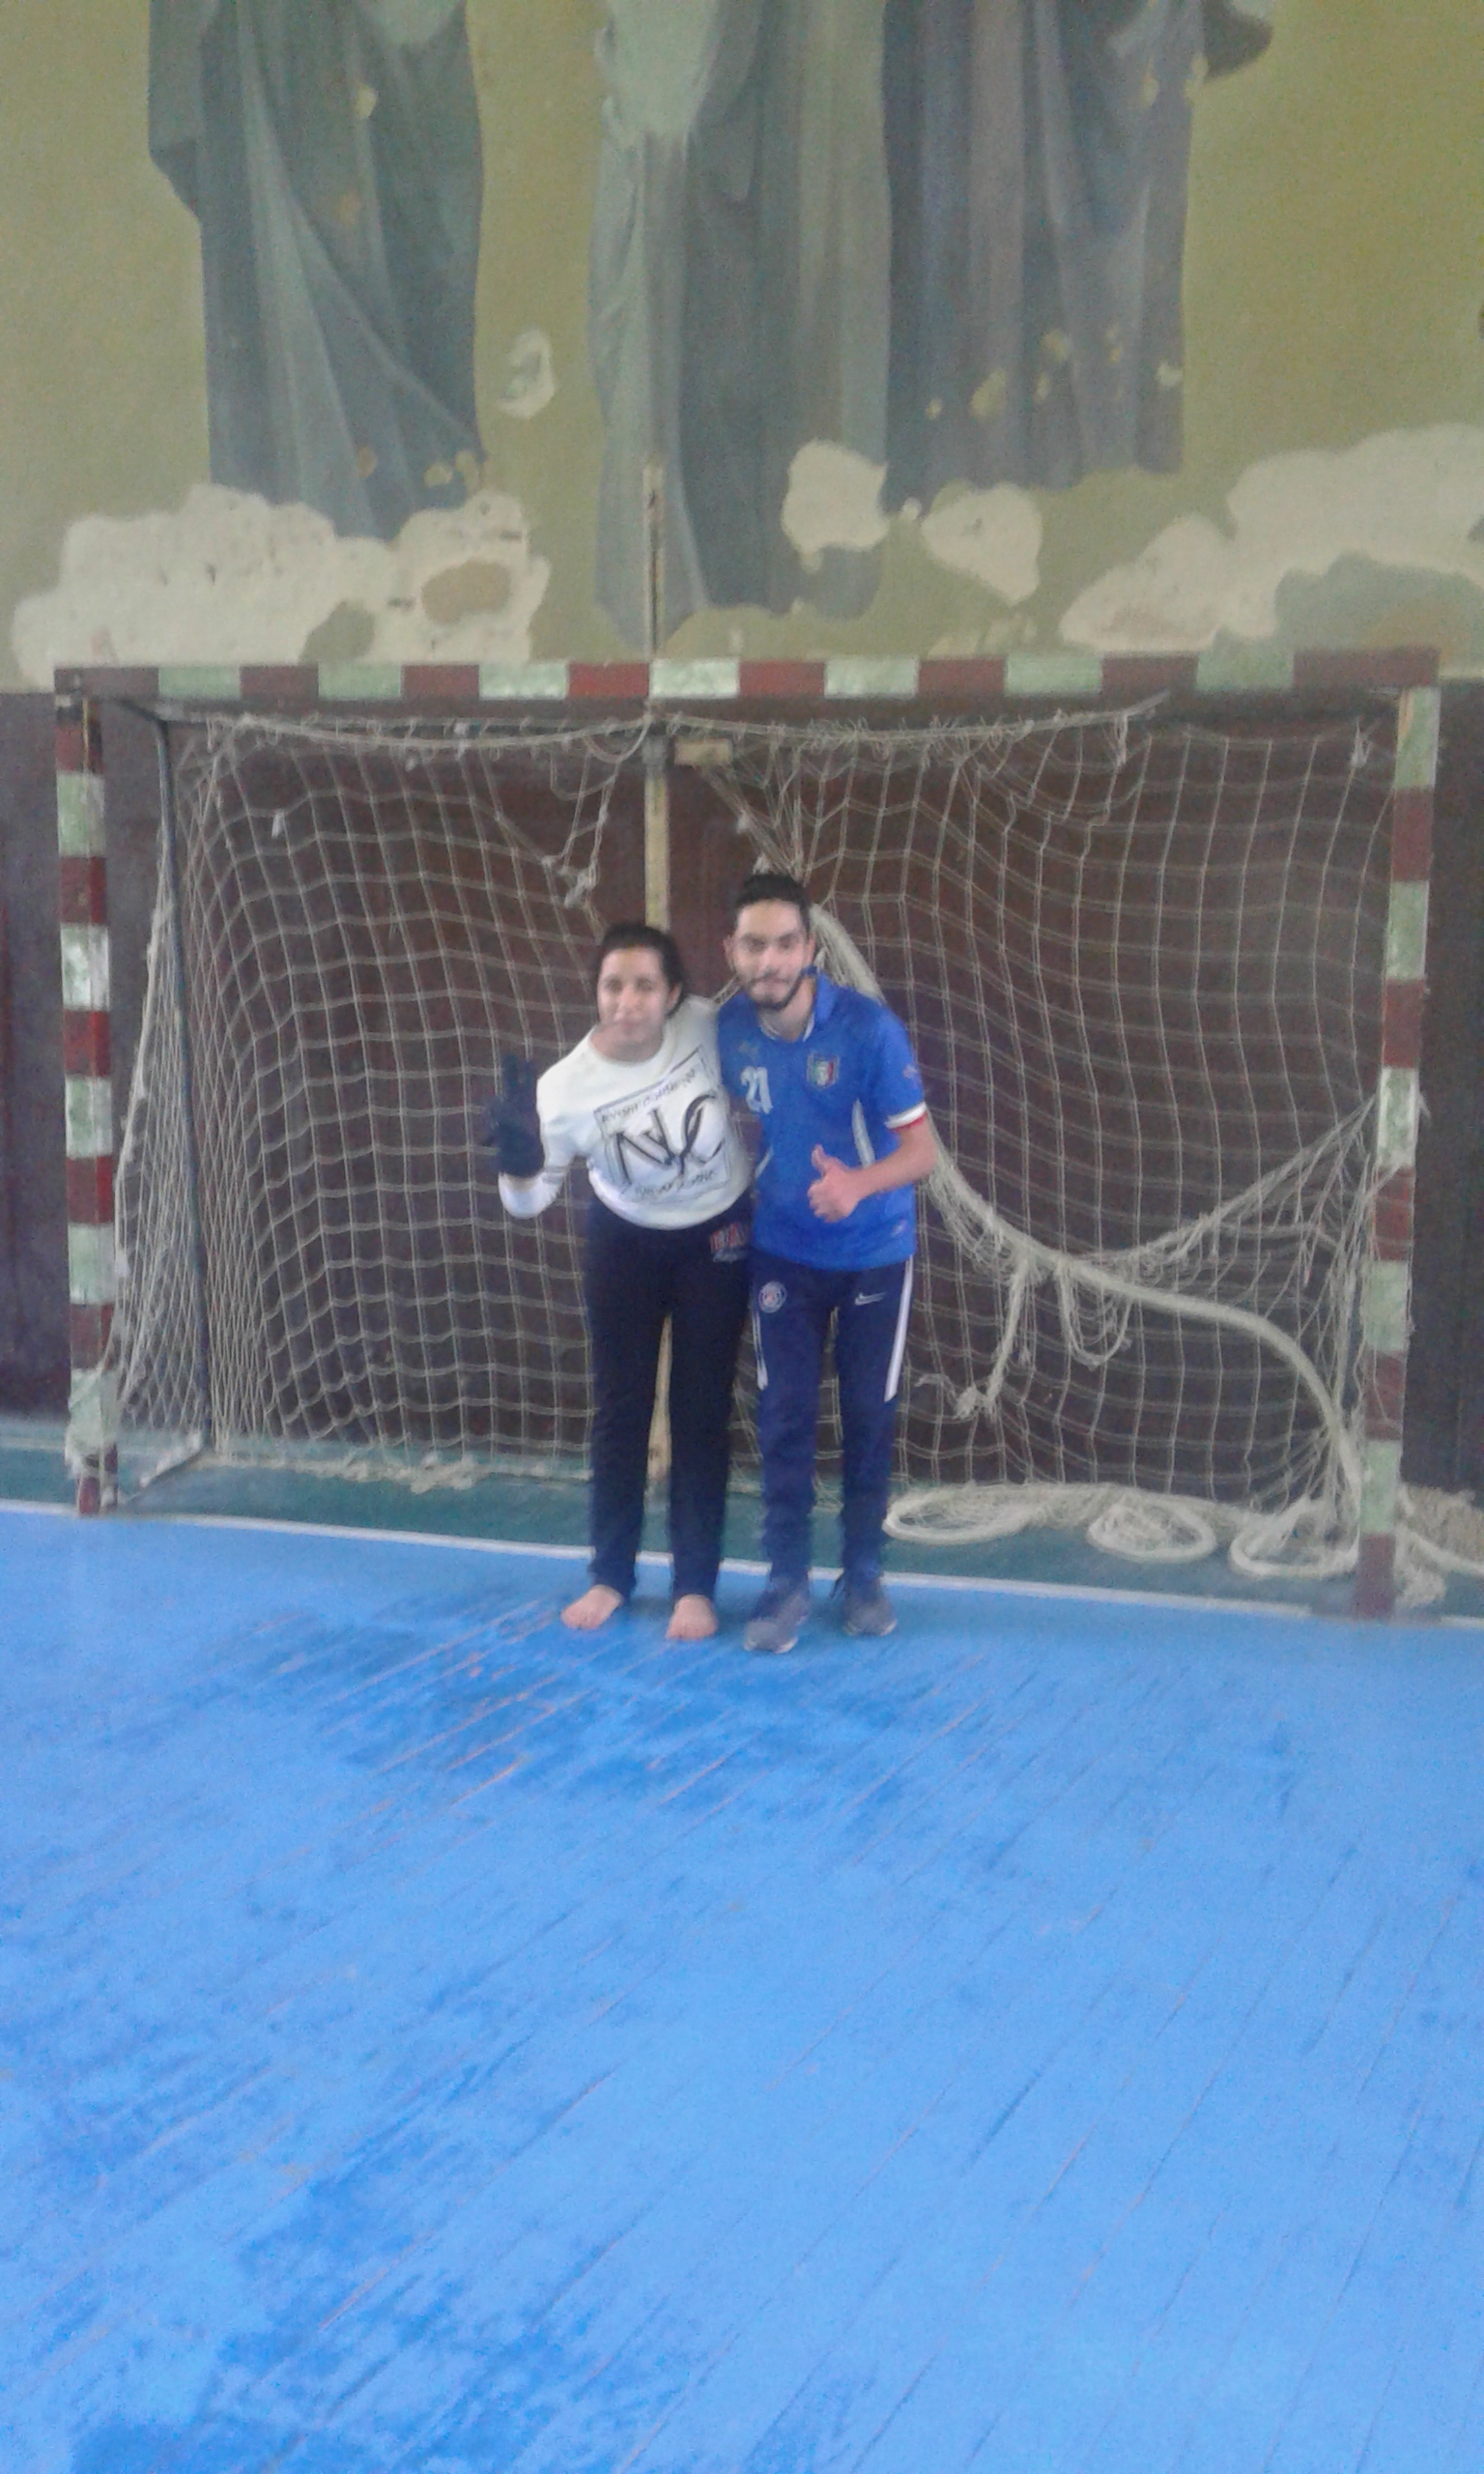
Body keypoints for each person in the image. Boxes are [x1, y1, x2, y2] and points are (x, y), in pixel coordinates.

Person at [487, 925, 752, 1642]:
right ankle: (610, 1575)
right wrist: (518, 1161)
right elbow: (526, 1204)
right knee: (620, 1409)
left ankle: (694, 1586)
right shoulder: (564, 1088)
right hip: (625, 1242)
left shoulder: (707, 1028)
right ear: (596, 993)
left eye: (644, 986)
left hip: (716, 1237)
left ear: (673, 994)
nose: (627, 1001)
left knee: (701, 1411)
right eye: (612, 986)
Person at [717, 873, 936, 1654]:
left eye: (785, 944)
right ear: (732, 951)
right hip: (783, 1250)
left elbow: (922, 1152)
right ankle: (785, 1581)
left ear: (809, 948)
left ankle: (864, 1573)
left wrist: (856, 1185)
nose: (770, 960)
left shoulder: (868, 1031)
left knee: (869, 1416)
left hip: (875, 1251)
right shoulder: (727, 1030)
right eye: (754, 945)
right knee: (783, 1416)